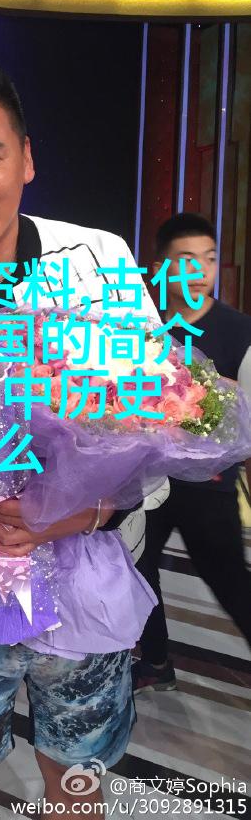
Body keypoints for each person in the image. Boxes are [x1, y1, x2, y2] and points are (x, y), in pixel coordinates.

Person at [0, 48, 164, 819]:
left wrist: (75, 512)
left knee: (76, 787)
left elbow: (161, 427)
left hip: (85, 588)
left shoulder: (99, 261)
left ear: (27, 159)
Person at [133, 212, 251, 693]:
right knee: (138, 570)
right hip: (148, 480)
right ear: (160, 267)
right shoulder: (143, 326)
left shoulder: (240, 331)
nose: (200, 271)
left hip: (210, 486)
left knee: (229, 580)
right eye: (186, 260)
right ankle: (156, 662)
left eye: (209, 258)